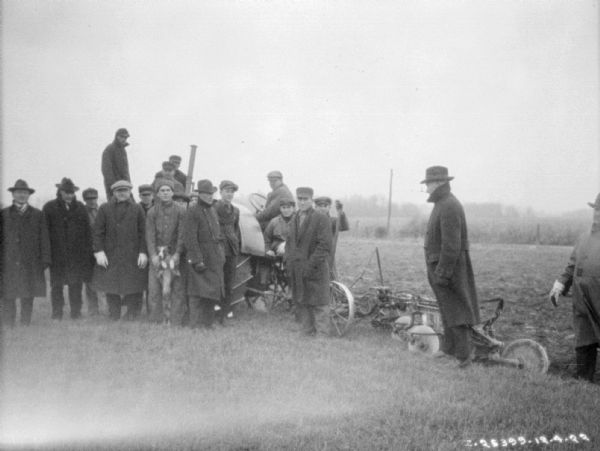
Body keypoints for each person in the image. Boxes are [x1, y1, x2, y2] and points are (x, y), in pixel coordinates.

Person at [421, 166, 480, 368]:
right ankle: (448, 349)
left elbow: (451, 245)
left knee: (457, 310)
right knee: (447, 309)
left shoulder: (449, 205)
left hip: (449, 269)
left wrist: (443, 273)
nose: (426, 188)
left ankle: (463, 356)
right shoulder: (442, 203)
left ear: (438, 183)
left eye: (428, 183)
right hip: (441, 268)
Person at [549, 193, 600, 382]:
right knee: (584, 341)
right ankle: (583, 380)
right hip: (581, 301)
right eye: (596, 210)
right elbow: (572, 265)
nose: (597, 214)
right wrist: (560, 284)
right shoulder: (584, 237)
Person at [92, 180, 148, 321]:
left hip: (132, 254)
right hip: (111, 254)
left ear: (129, 192)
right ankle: (114, 313)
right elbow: (98, 232)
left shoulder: (137, 209)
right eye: (119, 191)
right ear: (113, 193)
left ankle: (131, 313)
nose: (122, 193)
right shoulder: (104, 208)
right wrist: (99, 251)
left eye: (125, 190)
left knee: (133, 284)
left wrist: (143, 251)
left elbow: (143, 232)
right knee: (111, 285)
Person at [1, 180, 51, 326]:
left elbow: (45, 239)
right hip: (8, 261)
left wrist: (45, 259)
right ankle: (8, 323)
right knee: (8, 294)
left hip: (31, 261)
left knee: (28, 292)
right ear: (13, 194)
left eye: (25, 193)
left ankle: (25, 323)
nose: (22, 195)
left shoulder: (38, 215)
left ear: (29, 195)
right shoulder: (4, 214)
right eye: (18, 192)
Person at [43, 178, 94, 320]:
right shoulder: (49, 207)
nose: (69, 195)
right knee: (57, 285)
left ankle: (76, 313)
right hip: (57, 254)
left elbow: (87, 232)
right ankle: (57, 314)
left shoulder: (80, 207)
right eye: (66, 192)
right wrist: (47, 255)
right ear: (60, 192)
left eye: (71, 193)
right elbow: (45, 232)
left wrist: (87, 253)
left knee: (76, 285)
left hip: (76, 255)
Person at [285, 187, 333, 336]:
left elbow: (324, 245)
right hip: (297, 268)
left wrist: (310, 265)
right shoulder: (295, 218)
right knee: (302, 299)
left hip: (316, 268)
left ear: (311, 200)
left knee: (319, 302)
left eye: (305, 199)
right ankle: (306, 330)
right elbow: (290, 243)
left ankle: (322, 334)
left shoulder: (321, 218)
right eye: (299, 199)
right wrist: (289, 262)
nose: (302, 202)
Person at [183, 180, 225, 329]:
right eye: (205, 193)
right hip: (200, 256)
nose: (208, 196)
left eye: (211, 193)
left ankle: (208, 323)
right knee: (196, 292)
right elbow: (190, 238)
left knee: (212, 292)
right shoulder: (193, 211)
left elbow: (217, 235)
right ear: (199, 194)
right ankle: (194, 324)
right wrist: (197, 259)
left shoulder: (212, 210)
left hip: (214, 257)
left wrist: (220, 254)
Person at [145, 180, 186, 325]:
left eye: (168, 190)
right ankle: (156, 320)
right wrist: (153, 256)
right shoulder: (152, 212)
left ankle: (175, 320)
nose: (165, 193)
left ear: (173, 192)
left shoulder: (181, 210)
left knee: (177, 288)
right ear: (157, 193)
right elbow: (149, 236)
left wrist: (177, 254)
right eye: (162, 190)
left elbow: (182, 233)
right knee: (154, 289)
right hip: (157, 254)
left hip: (174, 254)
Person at [215, 180, 241, 323]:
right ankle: (216, 311)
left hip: (231, 250)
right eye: (227, 191)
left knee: (229, 282)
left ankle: (226, 312)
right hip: (218, 249)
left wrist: (234, 243)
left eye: (232, 192)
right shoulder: (214, 208)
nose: (229, 194)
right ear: (220, 192)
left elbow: (235, 230)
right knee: (218, 281)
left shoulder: (236, 211)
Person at [314, 196, 349, 279]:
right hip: (313, 255)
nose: (322, 208)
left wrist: (341, 213)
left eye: (325, 206)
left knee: (331, 278)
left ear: (329, 207)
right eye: (320, 206)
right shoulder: (311, 221)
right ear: (315, 207)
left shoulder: (332, 221)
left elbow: (344, 227)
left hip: (328, 256)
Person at [82, 188, 101, 315]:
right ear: (85, 200)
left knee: (105, 279)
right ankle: (93, 309)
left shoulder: (102, 211)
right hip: (87, 251)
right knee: (89, 281)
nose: (92, 201)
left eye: (94, 198)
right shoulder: (81, 212)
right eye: (89, 199)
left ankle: (108, 307)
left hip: (102, 250)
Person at [101, 128, 132, 200]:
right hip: (114, 187)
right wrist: (114, 186)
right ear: (116, 136)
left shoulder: (123, 150)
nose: (124, 139)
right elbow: (106, 170)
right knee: (114, 207)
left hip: (125, 185)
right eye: (122, 137)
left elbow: (125, 171)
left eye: (125, 137)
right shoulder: (109, 149)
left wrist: (128, 184)